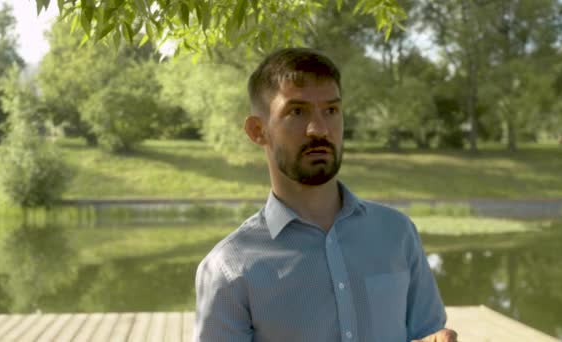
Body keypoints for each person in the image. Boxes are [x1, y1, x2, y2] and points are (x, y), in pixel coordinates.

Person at [194, 48, 457, 342]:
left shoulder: (398, 234)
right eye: (297, 111)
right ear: (258, 131)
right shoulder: (229, 268)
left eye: (331, 110)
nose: (319, 129)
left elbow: (427, 333)